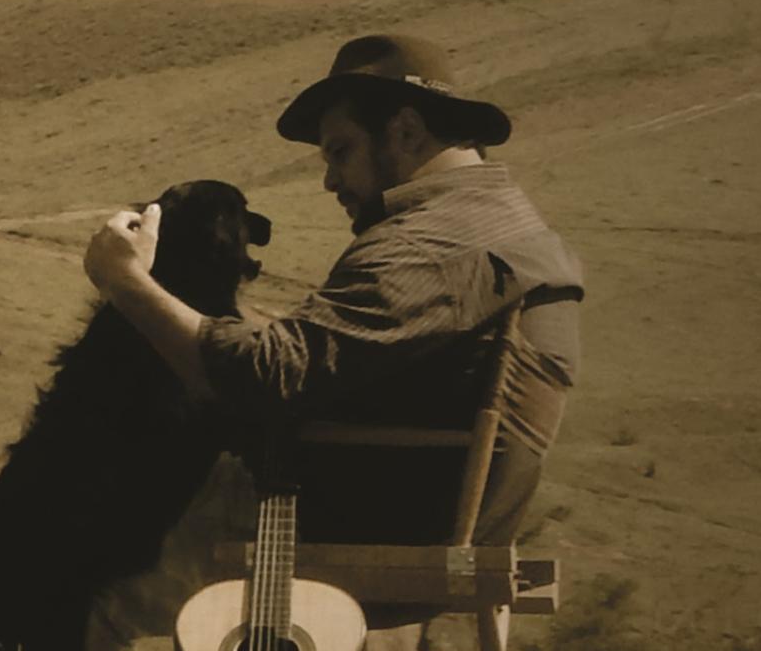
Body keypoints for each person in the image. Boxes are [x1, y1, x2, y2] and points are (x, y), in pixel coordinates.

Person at [83, 33, 583, 553]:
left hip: (343, 518)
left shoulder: (430, 244)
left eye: (341, 152)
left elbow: (265, 376)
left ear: (407, 132)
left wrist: (126, 281)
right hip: (426, 510)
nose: (329, 181)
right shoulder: (505, 224)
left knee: (77, 528)